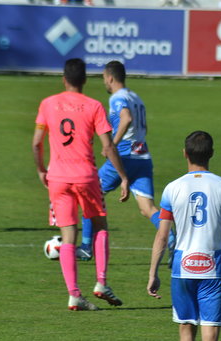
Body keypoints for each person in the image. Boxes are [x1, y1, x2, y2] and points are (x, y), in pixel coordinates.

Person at [32, 58, 130, 311]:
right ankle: (101, 283)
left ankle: (74, 294)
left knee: (68, 236)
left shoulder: (48, 104)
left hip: (58, 178)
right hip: (86, 176)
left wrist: (42, 170)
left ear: (64, 79)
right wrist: (123, 176)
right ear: (85, 80)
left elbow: (36, 143)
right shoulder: (94, 106)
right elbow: (107, 146)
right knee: (100, 225)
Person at [147, 131, 221, 341]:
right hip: (214, 265)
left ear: (185, 154)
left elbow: (162, 235)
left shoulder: (172, 188)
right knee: (211, 329)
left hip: (183, 266)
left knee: (186, 326)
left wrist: (153, 272)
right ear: (212, 154)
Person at [77, 60, 175, 264]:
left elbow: (126, 118)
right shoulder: (136, 97)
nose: (104, 82)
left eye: (104, 78)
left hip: (124, 157)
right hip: (143, 157)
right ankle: (172, 239)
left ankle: (86, 247)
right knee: (147, 208)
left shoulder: (117, 98)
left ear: (110, 78)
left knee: (89, 194)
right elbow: (143, 127)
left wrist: (111, 144)